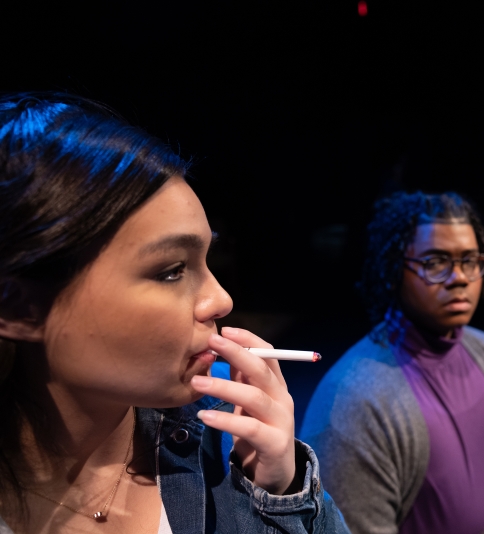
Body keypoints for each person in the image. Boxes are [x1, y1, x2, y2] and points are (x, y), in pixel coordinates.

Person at [0, 93, 348, 534]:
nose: (221, 300)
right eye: (171, 271)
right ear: (19, 306)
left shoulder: (231, 443)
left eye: (209, 262)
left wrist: (280, 494)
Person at [300, 192, 484, 534]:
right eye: (435, 263)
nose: (460, 278)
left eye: (470, 260)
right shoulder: (355, 399)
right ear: (393, 270)